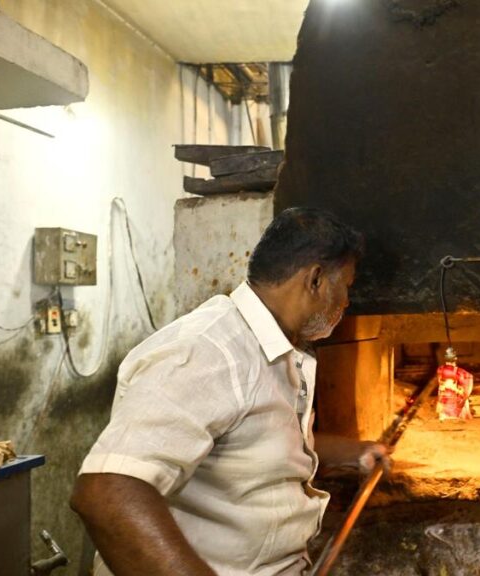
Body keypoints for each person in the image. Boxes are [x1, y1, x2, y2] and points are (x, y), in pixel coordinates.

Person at [71, 207, 388, 576]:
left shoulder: (273, 348)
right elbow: (106, 492)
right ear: (315, 280)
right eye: (346, 285)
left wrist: (355, 451)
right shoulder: (208, 350)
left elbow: (256, 443)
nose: (347, 302)